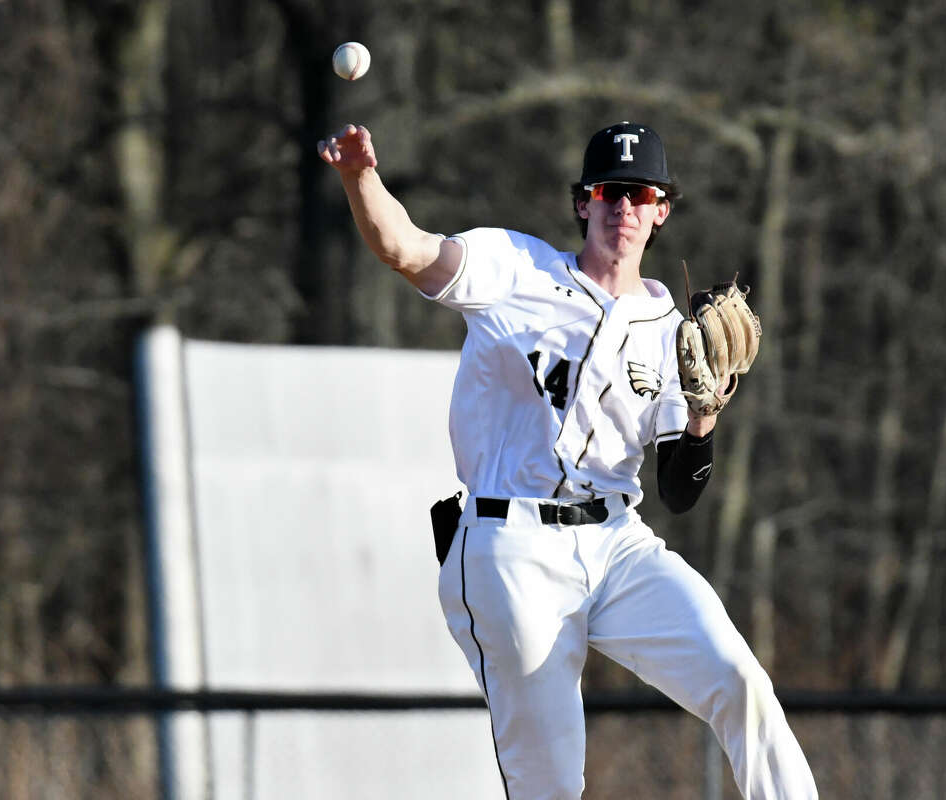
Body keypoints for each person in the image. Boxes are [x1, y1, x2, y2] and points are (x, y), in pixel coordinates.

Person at [318, 120, 817, 800]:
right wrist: (360, 178)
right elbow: (403, 248)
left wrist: (704, 416)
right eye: (611, 192)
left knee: (741, 681)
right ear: (584, 202)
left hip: (617, 544)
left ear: (661, 211)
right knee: (550, 785)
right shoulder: (515, 271)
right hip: (509, 544)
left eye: (641, 195)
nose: (625, 208)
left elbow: (679, 488)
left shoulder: (670, 331)